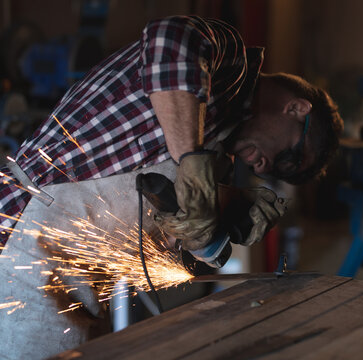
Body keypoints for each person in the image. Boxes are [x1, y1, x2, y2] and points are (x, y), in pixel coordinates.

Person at [0, 15, 343, 359]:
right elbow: (167, 38)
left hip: (79, 284)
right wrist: (190, 161)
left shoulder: (219, 153)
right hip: (26, 241)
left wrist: (223, 212)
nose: (265, 166)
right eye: (288, 158)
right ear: (296, 109)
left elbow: (178, 226)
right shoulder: (229, 64)